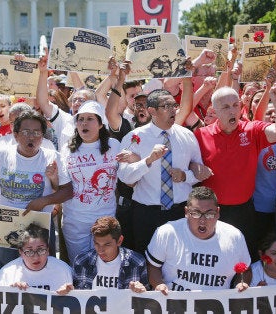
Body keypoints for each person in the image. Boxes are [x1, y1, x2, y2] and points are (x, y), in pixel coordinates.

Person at [0, 111, 73, 265]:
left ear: (43, 135)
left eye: (36, 132)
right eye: (26, 132)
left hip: (40, 227)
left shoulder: (53, 157)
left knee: (43, 270)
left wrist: (43, 201)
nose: (31, 137)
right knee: (6, 271)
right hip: (7, 227)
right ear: (15, 135)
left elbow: (68, 191)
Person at [194, 84, 276, 260]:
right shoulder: (201, 135)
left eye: (236, 105)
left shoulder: (252, 130)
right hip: (210, 212)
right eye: (226, 107)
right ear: (214, 110)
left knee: (240, 259)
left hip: (243, 211)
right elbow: (189, 164)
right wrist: (195, 167)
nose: (233, 111)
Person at [117, 89, 207, 254]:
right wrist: (147, 161)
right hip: (147, 213)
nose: (173, 110)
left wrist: (185, 176)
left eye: (174, 105)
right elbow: (124, 177)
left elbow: (199, 172)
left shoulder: (187, 136)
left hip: (180, 212)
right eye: (166, 106)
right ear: (152, 111)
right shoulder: (134, 138)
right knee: (147, 258)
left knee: (179, 258)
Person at [146, 187, 251, 293]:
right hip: (175, 304)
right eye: (196, 213)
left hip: (216, 306)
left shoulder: (234, 237)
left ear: (218, 212)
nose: (202, 220)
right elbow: (153, 266)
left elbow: (245, 271)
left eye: (209, 214)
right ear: (186, 212)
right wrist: (159, 284)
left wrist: (240, 285)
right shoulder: (167, 232)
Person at [60, 101, 121, 261]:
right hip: (75, 220)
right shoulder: (67, 148)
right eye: (80, 119)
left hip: (105, 218)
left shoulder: (114, 145)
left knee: (104, 262)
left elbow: (127, 176)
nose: (84, 123)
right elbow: (62, 184)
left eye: (90, 119)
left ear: (101, 124)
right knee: (79, 264)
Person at [67, 216, 148, 293]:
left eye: (107, 244)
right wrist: (68, 291)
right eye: (96, 243)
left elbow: (147, 299)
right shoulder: (81, 261)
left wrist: (141, 291)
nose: (100, 250)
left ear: (119, 241)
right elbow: (75, 293)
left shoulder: (137, 262)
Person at [0, 223, 72, 293]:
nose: (35, 257)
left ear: (48, 250)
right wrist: (10, 292)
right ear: (20, 252)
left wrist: (67, 294)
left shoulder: (63, 270)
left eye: (41, 250)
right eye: (29, 251)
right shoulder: (7, 274)